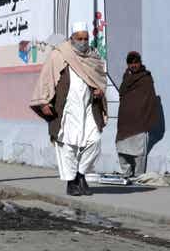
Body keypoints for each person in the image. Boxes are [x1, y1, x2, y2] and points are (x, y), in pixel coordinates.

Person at [30, 22, 107, 196]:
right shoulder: (59, 55)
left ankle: (81, 175)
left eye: (86, 38)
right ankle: (71, 182)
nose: (83, 41)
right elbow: (46, 79)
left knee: (94, 141)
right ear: (72, 38)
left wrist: (99, 90)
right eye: (79, 38)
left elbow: (100, 79)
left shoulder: (93, 56)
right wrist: (44, 103)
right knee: (67, 146)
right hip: (66, 108)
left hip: (88, 107)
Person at [116, 51, 159, 177]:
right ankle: (126, 173)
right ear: (127, 64)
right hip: (125, 120)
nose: (134, 65)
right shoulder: (126, 77)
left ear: (140, 63)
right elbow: (122, 92)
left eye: (136, 63)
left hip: (140, 120)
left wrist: (146, 117)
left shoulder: (146, 78)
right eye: (131, 63)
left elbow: (150, 99)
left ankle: (139, 175)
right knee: (121, 149)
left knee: (139, 152)